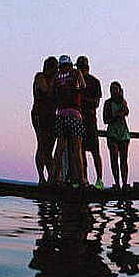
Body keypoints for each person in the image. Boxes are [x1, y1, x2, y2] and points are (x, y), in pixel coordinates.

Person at [52, 55, 87, 187]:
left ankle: (54, 178)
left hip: (61, 114)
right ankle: (81, 179)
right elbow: (83, 86)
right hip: (74, 113)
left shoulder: (57, 76)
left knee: (59, 148)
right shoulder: (75, 72)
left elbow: (51, 92)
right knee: (76, 148)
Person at [76, 55, 104, 189]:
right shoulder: (75, 81)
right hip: (78, 119)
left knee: (95, 151)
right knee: (80, 151)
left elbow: (96, 103)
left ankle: (99, 180)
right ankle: (84, 179)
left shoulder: (95, 82)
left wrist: (82, 98)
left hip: (90, 119)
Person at [31, 56, 59, 184]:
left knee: (50, 148)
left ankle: (51, 177)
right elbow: (46, 91)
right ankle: (41, 177)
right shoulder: (40, 77)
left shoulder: (56, 81)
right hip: (39, 114)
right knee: (42, 145)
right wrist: (54, 79)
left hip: (52, 115)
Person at [102, 81, 130, 188]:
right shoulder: (108, 103)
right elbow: (105, 119)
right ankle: (117, 182)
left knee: (123, 159)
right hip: (112, 133)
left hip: (123, 133)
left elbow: (127, 112)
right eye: (111, 89)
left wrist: (121, 111)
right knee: (114, 158)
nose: (113, 91)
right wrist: (116, 116)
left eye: (115, 89)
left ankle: (125, 183)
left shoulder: (123, 102)